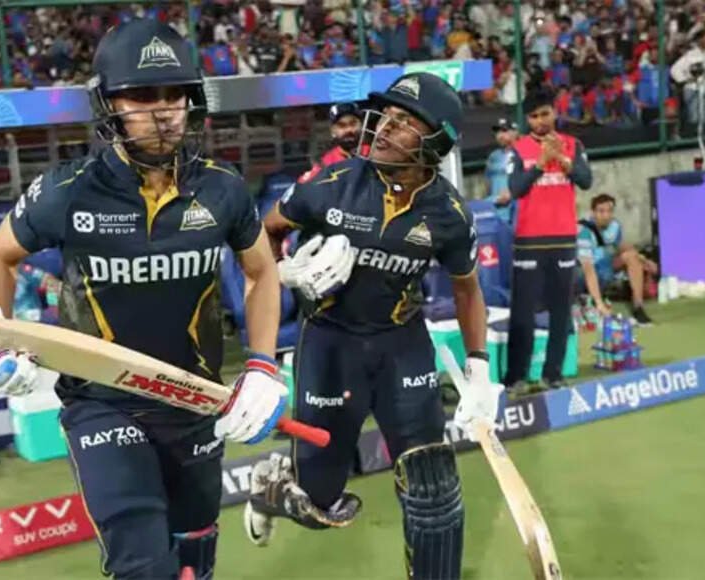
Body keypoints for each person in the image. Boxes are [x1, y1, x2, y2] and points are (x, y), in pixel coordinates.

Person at [0, 19, 287, 580]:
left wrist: (262, 365)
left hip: (195, 403)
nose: (162, 112)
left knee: (195, 558)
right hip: (102, 403)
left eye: (174, 95)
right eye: (141, 96)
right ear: (108, 104)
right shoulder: (67, 190)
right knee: (141, 563)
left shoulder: (223, 187)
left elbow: (261, 271)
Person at [247, 72, 502, 580]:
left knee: (432, 486)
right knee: (319, 501)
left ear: (436, 141)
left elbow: (467, 290)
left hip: (401, 344)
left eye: (404, 121)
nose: (384, 127)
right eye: (386, 116)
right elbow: (263, 232)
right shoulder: (332, 183)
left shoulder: (450, 214)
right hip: (329, 344)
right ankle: (273, 490)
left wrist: (479, 372)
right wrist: (286, 272)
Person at [502, 89, 592, 394]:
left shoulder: (573, 144)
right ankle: (515, 377)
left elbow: (586, 180)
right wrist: (541, 163)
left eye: (545, 114)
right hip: (529, 240)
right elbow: (516, 189)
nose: (540, 121)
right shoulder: (518, 149)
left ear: (554, 113)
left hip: (564, 237)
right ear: (527, 120)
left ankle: (553, 374)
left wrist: (563, 160)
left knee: (561, 311)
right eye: (534, 116)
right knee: (523, 313)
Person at [577, 194, 656, 325]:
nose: (606, 215)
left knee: (631, 256)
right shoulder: (584, 231)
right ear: (593, 212)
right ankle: (588, 300)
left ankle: (638, 307)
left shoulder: (615, 226)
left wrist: (643, 260)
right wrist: (600, 304)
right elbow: (588, 268)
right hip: (584, 273)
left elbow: (619, 246)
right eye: (601, 211)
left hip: (605, 267)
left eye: (609, 211)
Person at [297, 101, 363, 184]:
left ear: (361, 125)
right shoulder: (326, 163)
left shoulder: (373, 152)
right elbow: (302, 184)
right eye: (342, 125)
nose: (349, 130)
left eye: (353, 124)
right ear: (333, 131)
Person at [487, 117, 519, 225]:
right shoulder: (493, 156)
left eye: (504, 131)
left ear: (515, 132)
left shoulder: (523, 151)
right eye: (497, 132)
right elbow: (488, 184)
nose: (500, 135)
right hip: (497, 213)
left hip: (517, 212)